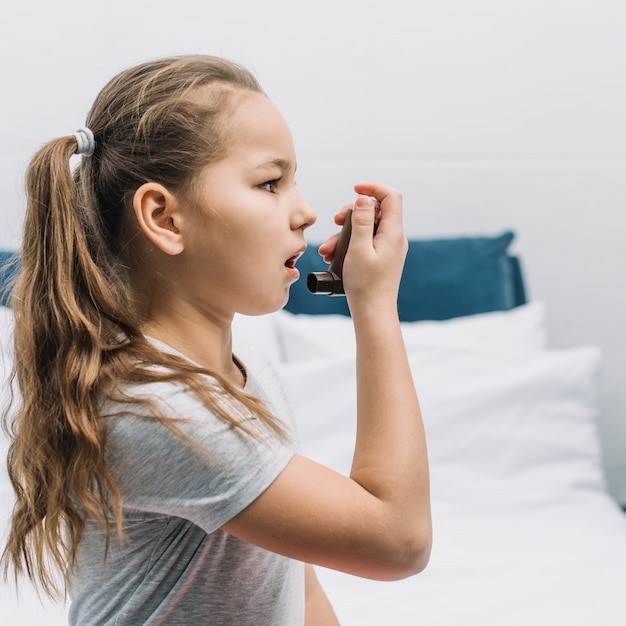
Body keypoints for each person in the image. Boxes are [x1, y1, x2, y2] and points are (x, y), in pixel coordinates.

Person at [1, 55, 431, 625]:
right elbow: (397, 541)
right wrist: (375, 305)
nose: (303, 211)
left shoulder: (240, 367)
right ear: (164, 218)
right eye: (270, 182)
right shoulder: (155, 407)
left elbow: (297, 589)